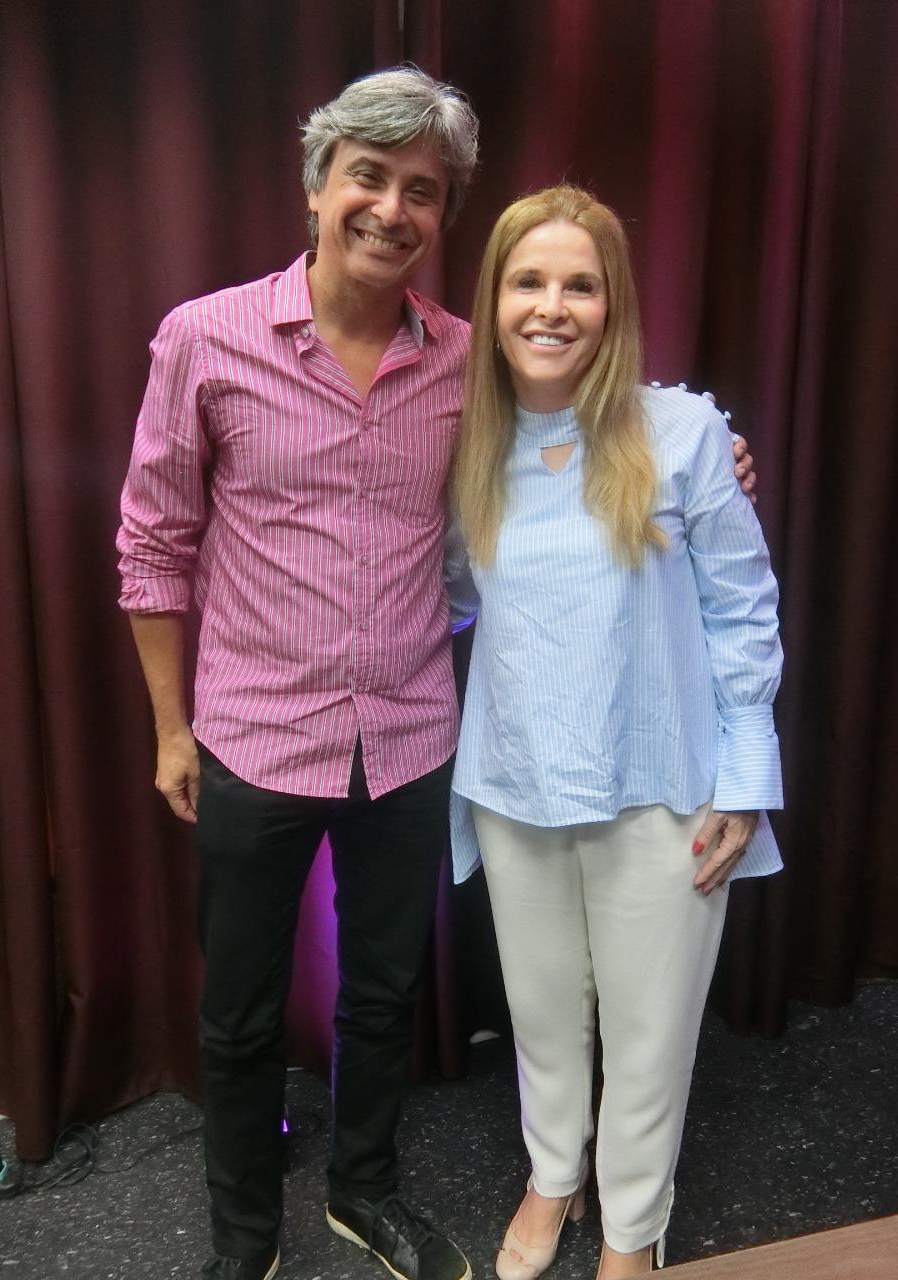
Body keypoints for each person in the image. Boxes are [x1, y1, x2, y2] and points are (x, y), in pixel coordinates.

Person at [117, 65, 756, 1280]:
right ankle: (243, 1237)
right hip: (253, 734)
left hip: (412, 738)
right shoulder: (206, 338)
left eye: (422, 190)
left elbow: (597, 411)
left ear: (441, 217)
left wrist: (710, 445)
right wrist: (168, 728)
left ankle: (364, 1190)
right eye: (370, 176)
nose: (392, 208)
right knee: (240, 1009)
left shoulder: (469, 364)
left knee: (382, 992)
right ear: (317, 186)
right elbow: (152, 543)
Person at [449, 186, 783, 1279]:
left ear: (614, 304)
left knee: (651, 1033)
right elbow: (446, 595)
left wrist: (747, 778)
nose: (552, 306)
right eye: (528, 281)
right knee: (544, 1016)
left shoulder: (682, 432)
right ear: (494, 300)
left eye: (579, 285)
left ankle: (633, 1226)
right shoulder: (465, 447)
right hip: (514, 786)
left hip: (664, 788)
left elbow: (743, 610)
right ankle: (555, 1175)